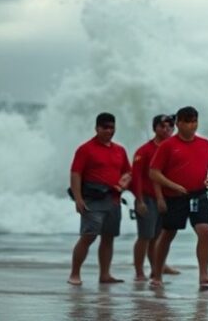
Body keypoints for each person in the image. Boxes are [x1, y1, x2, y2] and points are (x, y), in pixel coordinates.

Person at [148, 106, 208, 288]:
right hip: (174, 197)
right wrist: (172, 186)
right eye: (188, 122)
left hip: (198, 194)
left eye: (195, 121)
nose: (192, 126)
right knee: (168, 234)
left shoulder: (204, 144)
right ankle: (157, 275)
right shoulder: (168, 145)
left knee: (204, 230)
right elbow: (154, 172)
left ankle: (203, 274)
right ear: (179, 123)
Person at [67, 112, 132, 285]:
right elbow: (75, 174)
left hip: (114, 199)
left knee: (108, 237)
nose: (109, 131)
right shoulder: (86, 149)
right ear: (97, 128)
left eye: (112, 127)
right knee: (88, 236)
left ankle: (105, 274)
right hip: (93, 199)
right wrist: (78, 199)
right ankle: (74, 274)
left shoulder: (120, 150)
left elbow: (127, 171)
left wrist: (124, 182)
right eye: (105, 127)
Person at [129, 113, 180, 281]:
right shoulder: (144, 151)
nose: (166, 130)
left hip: (166, 199)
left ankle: (156, 268)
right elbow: (135, 176)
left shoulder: (172, 149)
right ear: (154, 128)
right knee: (145, 236)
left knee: (158, 237)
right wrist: (140, 200)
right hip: (147, 198)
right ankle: (139, 272)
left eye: (170, 127)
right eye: (162, 126)